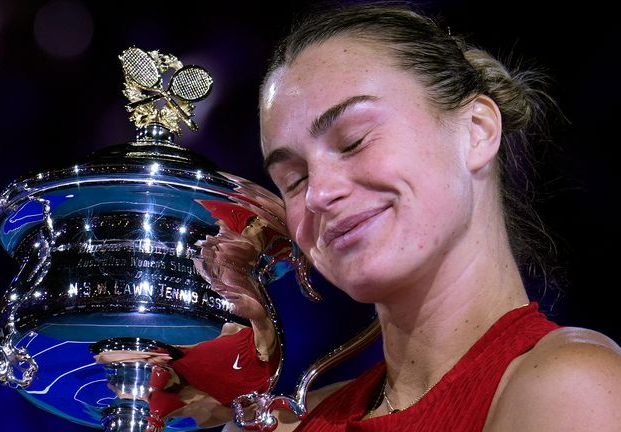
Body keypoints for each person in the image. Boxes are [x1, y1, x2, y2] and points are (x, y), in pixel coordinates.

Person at [254, 3, 621, 431]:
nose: (319, 193)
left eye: (354, 140)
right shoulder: (285, 422)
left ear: (477, 129)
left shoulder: (572, 385)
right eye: (294, 179)